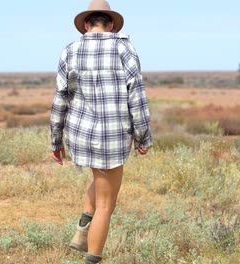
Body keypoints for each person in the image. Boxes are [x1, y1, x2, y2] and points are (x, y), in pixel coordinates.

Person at [49, 0, 152, 263]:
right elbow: (136, 96)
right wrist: (144, 135)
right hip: (113, 137)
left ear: (86, 25)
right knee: (107, 204)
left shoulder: (69, 51)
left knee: (99, 179)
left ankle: (83, 228)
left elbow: (61, 98)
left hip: (80, 135)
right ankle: (92, 258)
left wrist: (55, 140)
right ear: (112, 25)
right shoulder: (123, 49)